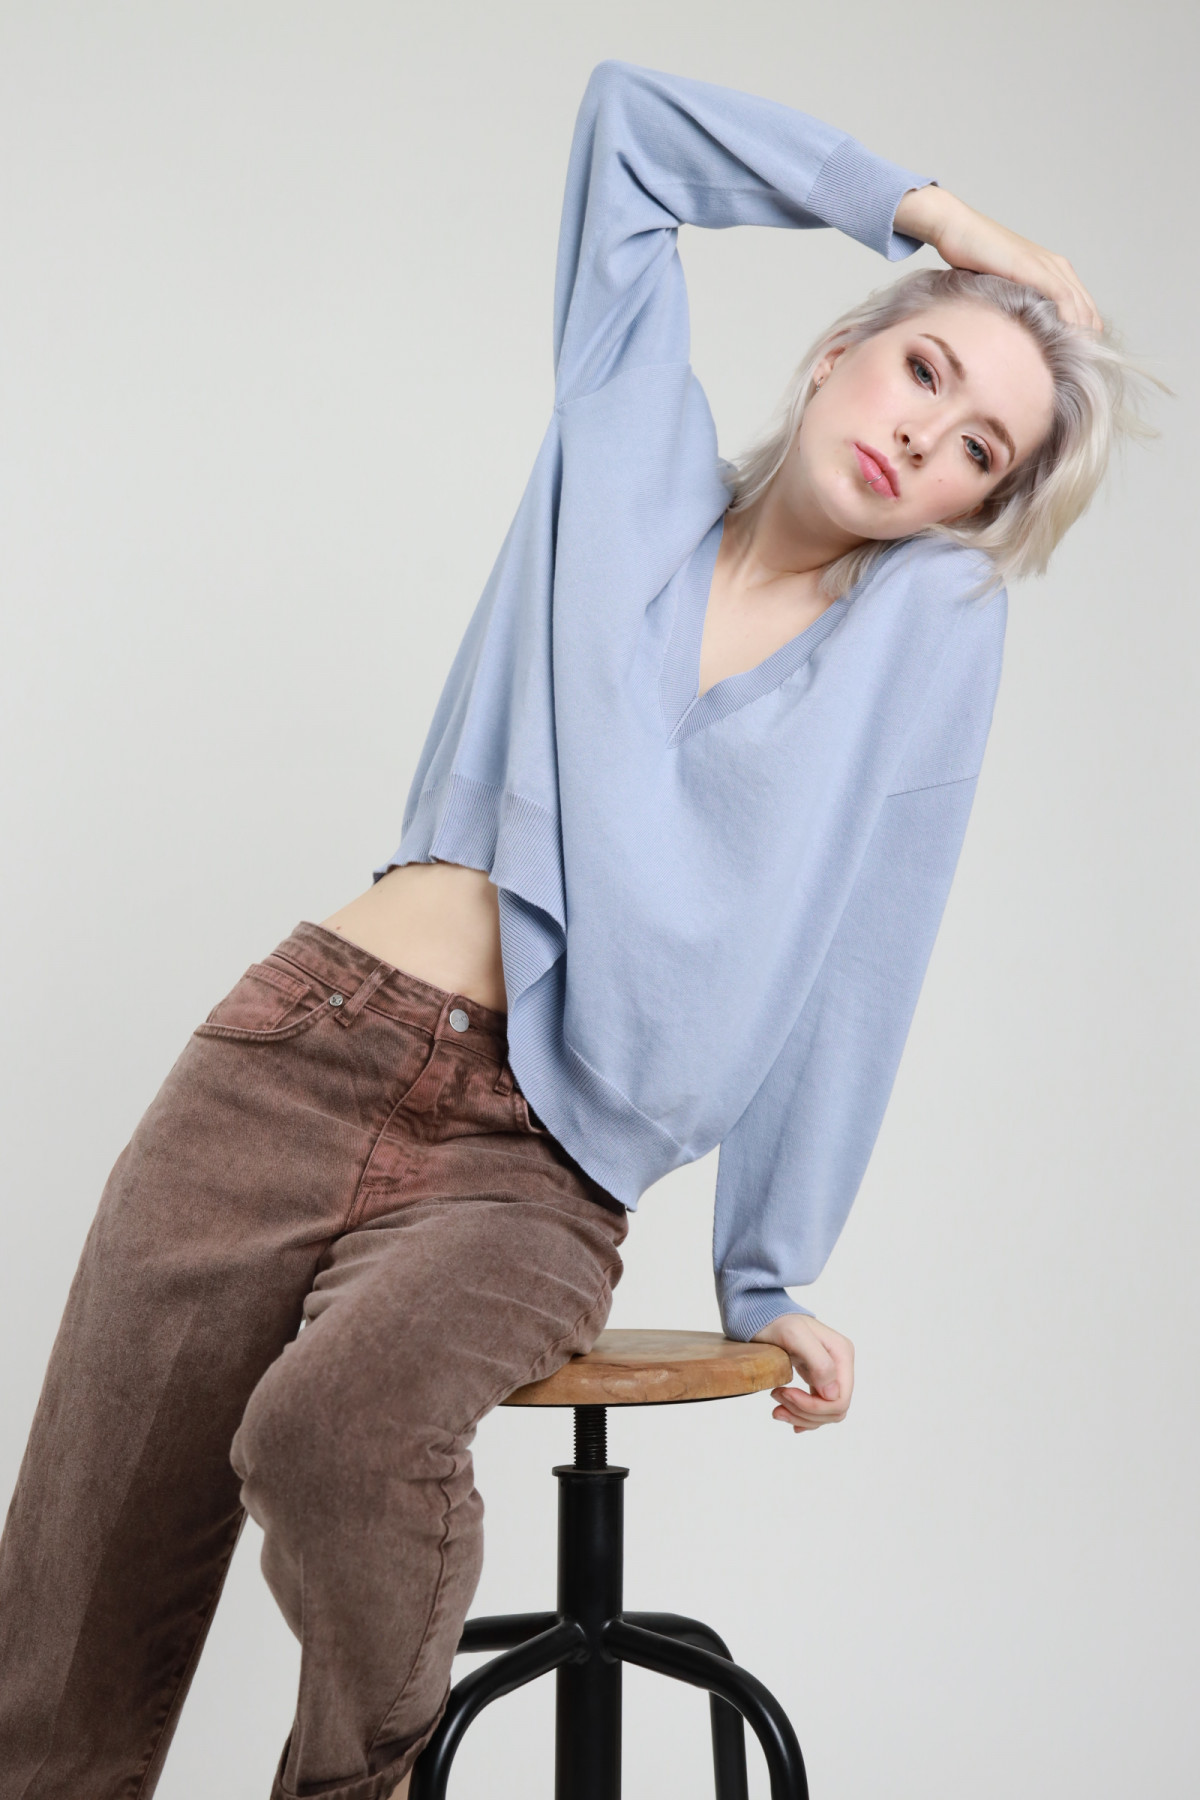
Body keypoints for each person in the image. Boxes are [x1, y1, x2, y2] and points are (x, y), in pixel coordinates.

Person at [0, 57, 1155, 1800]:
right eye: (925, 368)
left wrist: (768, 1268)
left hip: (532, 1171)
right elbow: (628, 130)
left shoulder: (919, 640)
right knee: (65, 1623)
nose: (928, 433)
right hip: (293, 1050)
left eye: (981, 448)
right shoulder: (624, 458)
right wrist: (948, 221)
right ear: (838, 352)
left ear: (973, 514)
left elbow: (865, 956)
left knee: (333, 1438)